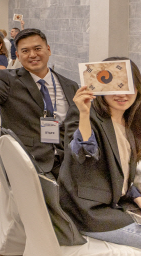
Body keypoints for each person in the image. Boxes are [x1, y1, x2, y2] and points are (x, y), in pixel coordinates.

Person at [0, 28, 79, 177]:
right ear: (18, 56)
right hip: (30, 162)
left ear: (48, 50)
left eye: (37, 48)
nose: (33, 55)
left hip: (69, 161)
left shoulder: (70, 85)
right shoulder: (8, 80)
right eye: (25, 51)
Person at [59, 58, 141, 249]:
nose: (122, 94)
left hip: (113, 204)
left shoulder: (130, 122)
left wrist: (136, 196)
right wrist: (84, 114)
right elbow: (83, 154)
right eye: (114, 88)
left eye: (128, 86)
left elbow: (118, 171)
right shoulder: (85, 116)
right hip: (88, 211)